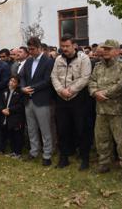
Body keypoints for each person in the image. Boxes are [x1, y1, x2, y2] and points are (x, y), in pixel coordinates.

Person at [51, 34, 92, 170]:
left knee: (81, 129)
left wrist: (71, 90)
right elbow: (54, 76)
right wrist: (60, 90)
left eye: (67, 46)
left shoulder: (83, 59)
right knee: (62, 129)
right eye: (62, 46)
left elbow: (85, 77)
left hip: (78, 98)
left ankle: (84, 158)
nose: (64, 49)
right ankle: (64, 158)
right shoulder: (58, 59)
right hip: (62, 98)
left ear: (74, 45)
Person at [89, 39, 122, 181]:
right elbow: (91, 81)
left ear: (116, 51)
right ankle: (104, 163)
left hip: (118, 110)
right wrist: (94, 92)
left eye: (108, 49)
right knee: (101, 138)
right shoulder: (98, 66)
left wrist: (105, 93)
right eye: (104, 48)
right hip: (101, 110)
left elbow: (121, 84)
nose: (105, 51)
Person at [21, 37, 54, 166]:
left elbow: (47, 80)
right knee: (31, 128)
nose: (30, 51)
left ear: (40, 48)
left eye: (32, 49)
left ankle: (47, 154)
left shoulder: (48, 61)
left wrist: (32, 88)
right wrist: (23, 87)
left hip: (42, 100)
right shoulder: (28, 61)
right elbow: (22, 76)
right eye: (29, 49)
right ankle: (34, 151)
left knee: (45, 129)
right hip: (28, 100)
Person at [0, 75, 25, 159]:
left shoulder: (20, 93)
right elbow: (1, 102)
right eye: (11, 80)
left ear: (17, 84)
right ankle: (13, 151)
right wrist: (2, 109)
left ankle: (18, 153)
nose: (12, 83)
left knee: (17, 135)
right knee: (10, 134)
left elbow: (20, 105)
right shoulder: (5, 91)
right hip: (6, 116)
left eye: (14, 82)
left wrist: (10, 109)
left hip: (16, 117)